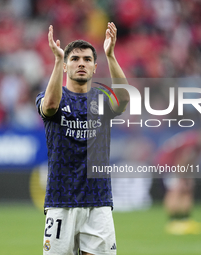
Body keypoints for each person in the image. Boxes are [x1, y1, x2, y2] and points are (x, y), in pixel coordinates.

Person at [35, 22, 129, 255]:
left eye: (87, 59)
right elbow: (50, 106)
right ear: (66, 66)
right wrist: (57, 60)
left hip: (98, 200)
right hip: (60, 200)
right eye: (75, 59)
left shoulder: (102, 99)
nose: (81, 63)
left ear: (95, 67)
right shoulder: (50, 96)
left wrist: (111, 55)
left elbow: (125, 99)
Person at [155, 129, 201, 235]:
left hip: (175, 165)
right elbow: (182, 160)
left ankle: (184, 220)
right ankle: (172, 221)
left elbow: (192, 162)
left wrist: (188, 176)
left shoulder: (198, 145)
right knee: (175, 190)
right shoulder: (192, 143)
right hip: (168, 165)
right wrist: (182, 177)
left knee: (187, 189)